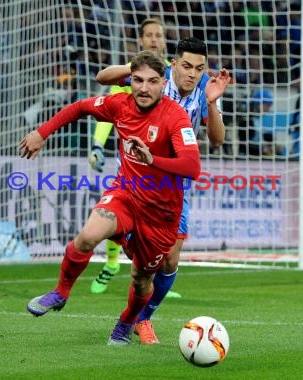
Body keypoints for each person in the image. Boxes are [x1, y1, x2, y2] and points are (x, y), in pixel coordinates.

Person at [20, 51, 201, 346]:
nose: (144, 88)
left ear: (163, 83)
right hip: (126, 195)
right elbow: (79, 108)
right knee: (88, 236)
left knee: (142, 279)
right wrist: (42, 132)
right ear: (130, 80)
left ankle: (126, 323)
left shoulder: (175, 117)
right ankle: (61, 292)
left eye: (153, 82)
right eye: (138, 81)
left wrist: (152, 158)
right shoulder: (120, 104)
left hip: (161, 214)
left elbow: (192, 167)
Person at [93, 38, 230, 344]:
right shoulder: (152, 83)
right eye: (185, 66)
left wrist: (211, 102)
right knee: (141, 257)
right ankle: (125, 258)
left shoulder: (204, 89)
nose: (192, 74)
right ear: (173, 65)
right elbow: (102, 78)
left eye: (198, 68)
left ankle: (142, 318)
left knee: (169, 260)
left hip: (172, 189)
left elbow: (218, 141)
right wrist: (136, 68)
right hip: (135, 183)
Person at [87, 18, 169, 297]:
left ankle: (154, 278)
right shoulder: (131, 76)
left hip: (167, 165)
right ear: (141, 41)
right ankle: (111, 264)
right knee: (117, 214)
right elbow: (106, 109)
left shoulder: (172, 72)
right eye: (149, 35)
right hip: (134, 159)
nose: (154, 40)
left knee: (159, 225)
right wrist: (97, 144)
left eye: (159, 35)